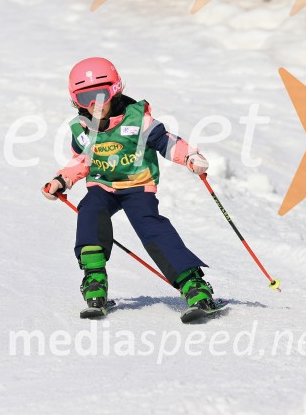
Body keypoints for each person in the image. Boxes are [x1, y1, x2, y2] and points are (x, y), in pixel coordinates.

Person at [42, 57, 216, 318]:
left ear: (115, 90)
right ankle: (94, 280)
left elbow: (167, 141)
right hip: (103, 185)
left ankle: (194, 285)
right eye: (84, 97)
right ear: (75, 100)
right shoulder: (81, 129)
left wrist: (190, 157)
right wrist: (61, 180)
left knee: (151, 226)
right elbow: (81, 160)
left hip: (138, 185)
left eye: (100, 94)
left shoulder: (137, 119)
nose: (94, 104)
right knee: (89, 210)